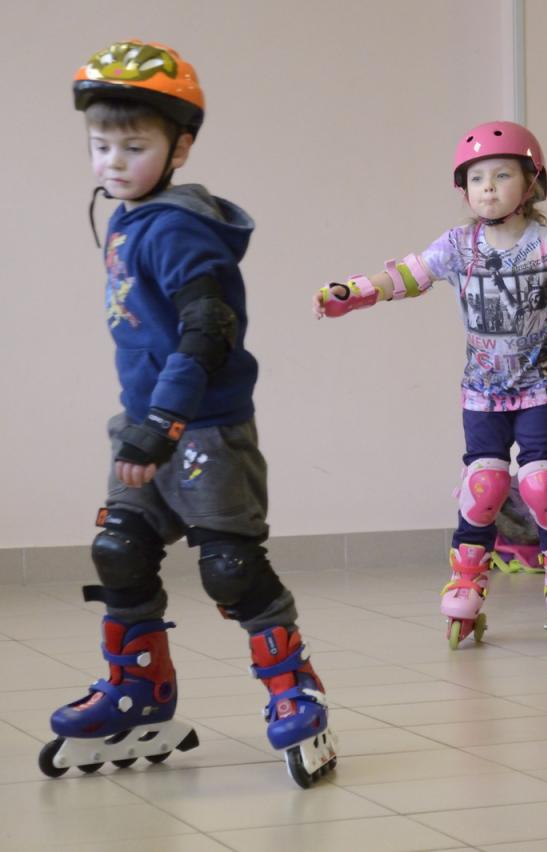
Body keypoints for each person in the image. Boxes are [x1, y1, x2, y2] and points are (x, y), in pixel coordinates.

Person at [42, 40, 335, 789]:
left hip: (201, 431)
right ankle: (138, 690)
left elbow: (209, 331)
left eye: (133, 146)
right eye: (100, 145)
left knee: (230, 566)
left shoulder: (175, 228)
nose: (112, 161)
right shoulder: (131, 220)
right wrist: (143, 423)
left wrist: (161, 423)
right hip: (144, 423)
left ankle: (293, 690)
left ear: (181, 147)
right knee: (121, 551)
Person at [313, 121, 547, 649]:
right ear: (463, 189)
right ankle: (467, 578)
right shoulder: (457, 245)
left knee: (541, 484)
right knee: (484, 486)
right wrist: (352, 292)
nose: (487, 186)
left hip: (539, 386)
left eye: (502, 174)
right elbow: (408, 275)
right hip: (482, 393)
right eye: (477, 178)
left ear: (531, 183)